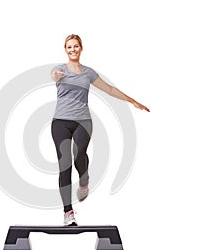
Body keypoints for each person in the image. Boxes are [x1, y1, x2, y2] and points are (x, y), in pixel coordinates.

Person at [51, 34, 149, 226]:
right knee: (65, 165)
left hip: (83, 121)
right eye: (69, 47)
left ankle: (84, 178)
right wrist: (56, 76)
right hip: (60, 122)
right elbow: (53, 75)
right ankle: (68, 212)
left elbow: (110, 89)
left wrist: (133, 101)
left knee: (79, 154)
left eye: (76, 46)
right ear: (65, 49)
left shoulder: (88, 73)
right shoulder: (59, 69)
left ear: (81, 48)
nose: (73, 50)